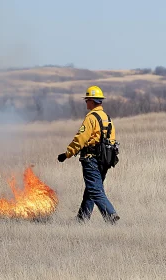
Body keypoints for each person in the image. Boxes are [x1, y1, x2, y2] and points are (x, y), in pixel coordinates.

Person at [57, 85, 120, 224]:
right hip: (105, 160)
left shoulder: (91, 118)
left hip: (91, 160)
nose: (86, 102)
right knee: (91, 189)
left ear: (92, 101)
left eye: (87, 100)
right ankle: (81, 220)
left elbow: (81, 138)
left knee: (95, 190)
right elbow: (112, 140)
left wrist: (67, 154)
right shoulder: (107, 118)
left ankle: (111, 215)